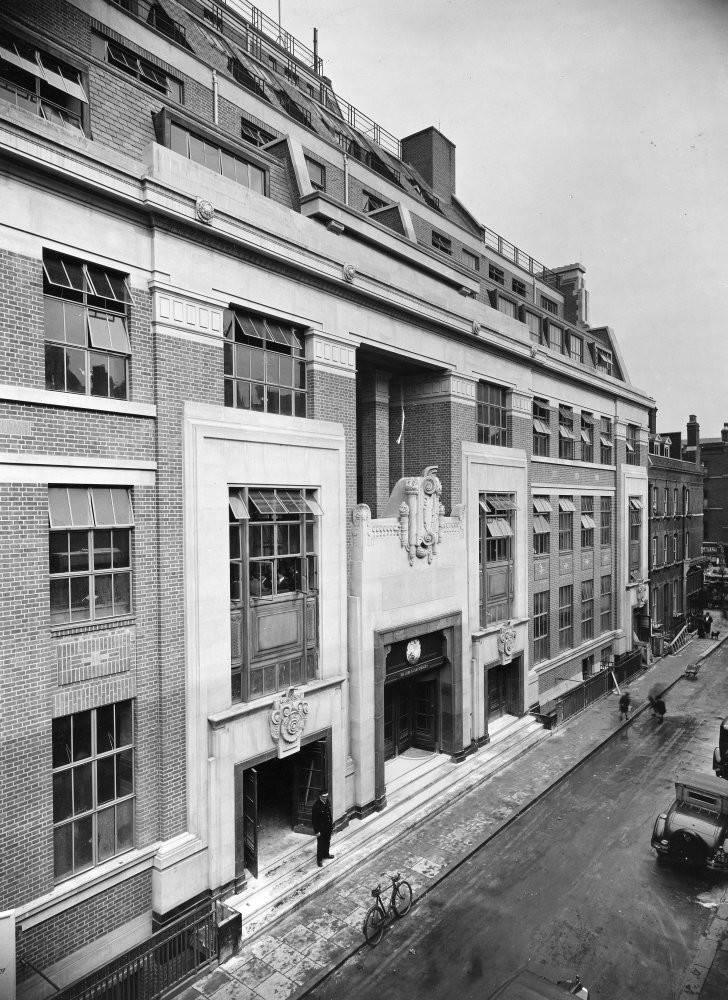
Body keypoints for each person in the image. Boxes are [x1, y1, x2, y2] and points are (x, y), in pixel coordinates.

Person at [311, 787, 334, 868]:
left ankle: (326, 854)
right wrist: (316, 831)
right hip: (321, 829)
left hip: (328, 828)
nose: (325, 798)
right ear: (320, 796)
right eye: (324, 796)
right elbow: (314, 820)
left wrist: (331, 825)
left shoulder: (326, 802)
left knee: (327, 842)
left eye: (326, 796)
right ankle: (319, 860)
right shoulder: (316, 806)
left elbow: (329, 814)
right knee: (320, 844)